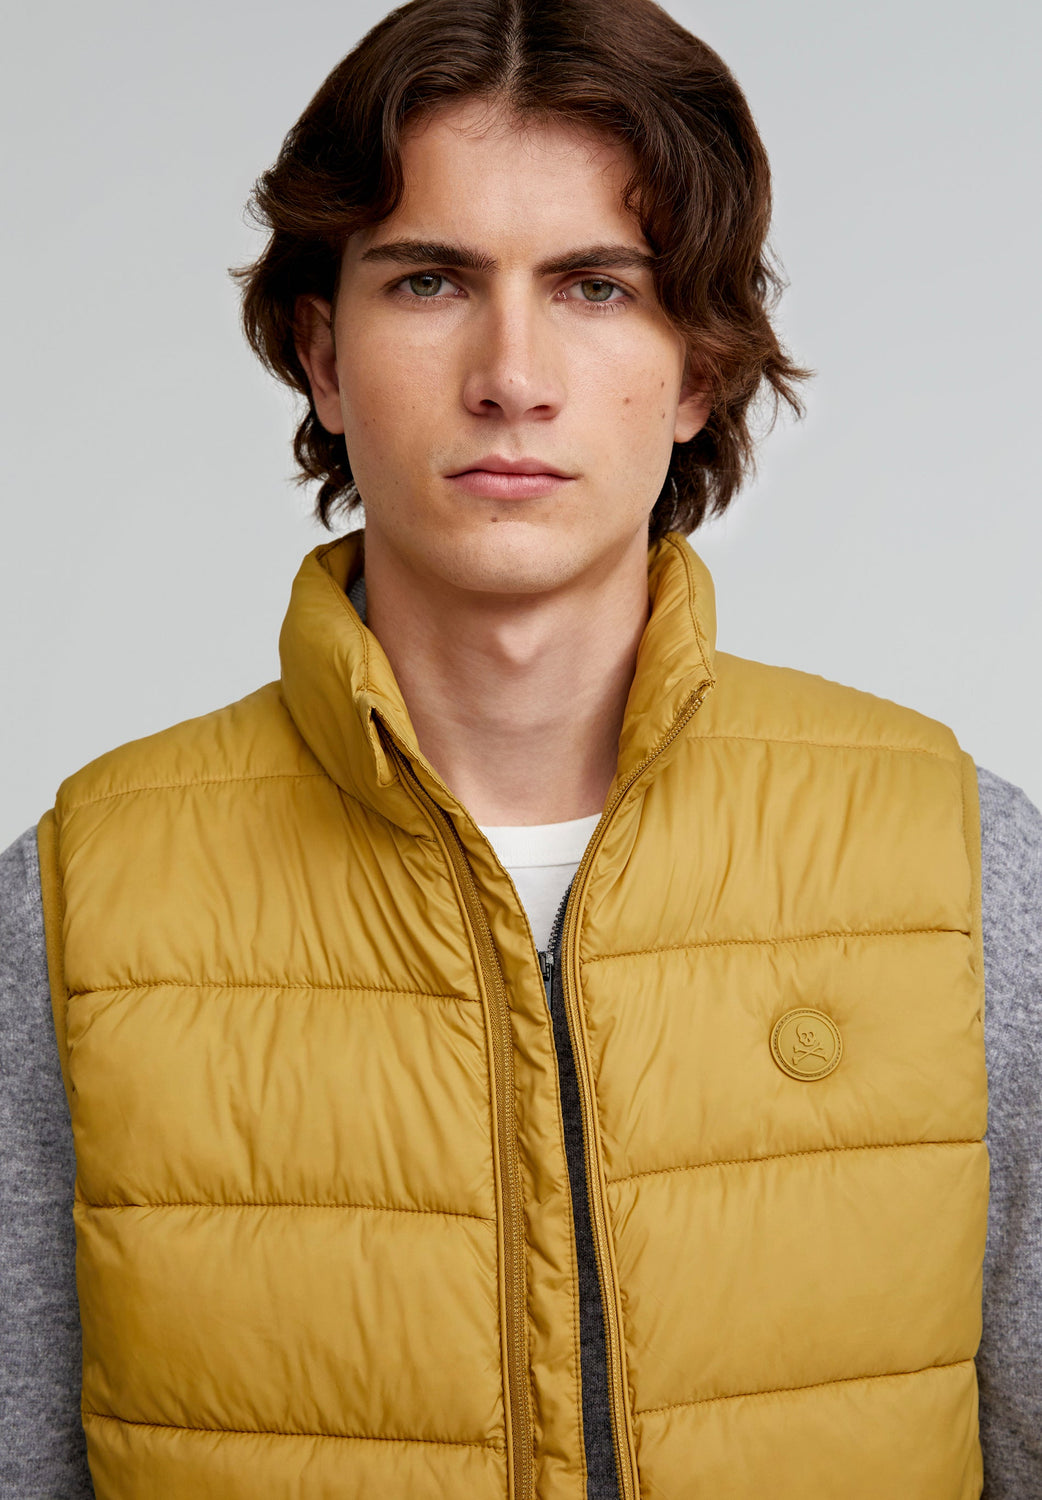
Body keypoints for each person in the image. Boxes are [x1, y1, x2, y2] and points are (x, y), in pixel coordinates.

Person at [1, 0, 1039, 1495]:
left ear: (698, 370)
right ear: (324, 356)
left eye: (596, 287)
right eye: (430, 281)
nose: (511, 373)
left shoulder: (962, 865)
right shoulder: (74, 907)